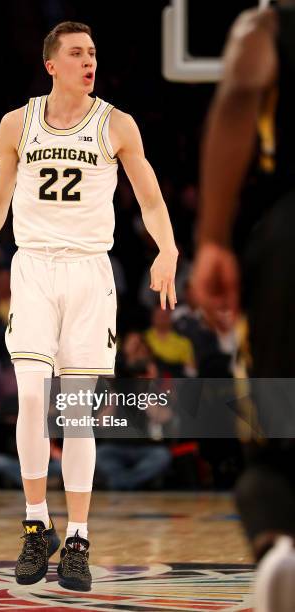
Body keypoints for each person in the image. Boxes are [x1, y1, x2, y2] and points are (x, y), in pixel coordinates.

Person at [0, 21, 178, 592]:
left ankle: (78, 537)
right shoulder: (18, 123)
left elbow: (152, 198)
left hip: (90, 272)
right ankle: (37, 524)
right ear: (51, 64)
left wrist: (168, 249)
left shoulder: (116, 124)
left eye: (93, 53)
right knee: (33, 398)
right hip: (34, 267)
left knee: (78, 410)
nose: (89, 61)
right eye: (77, 53)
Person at [192, 2, 295, 610]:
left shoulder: (268, 25)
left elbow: (239, 90)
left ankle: (280, 548)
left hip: (288, 240)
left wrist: (211, 238)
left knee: (274, 431)